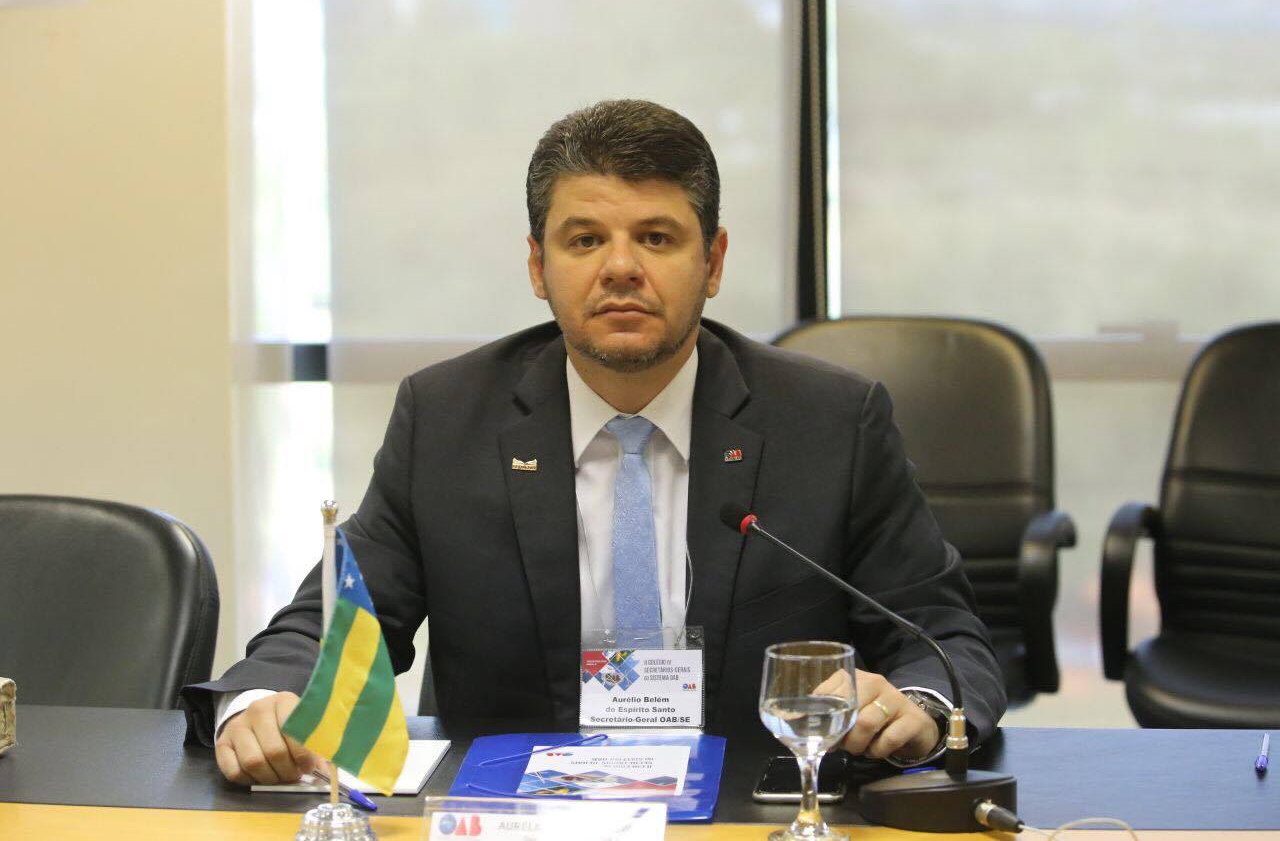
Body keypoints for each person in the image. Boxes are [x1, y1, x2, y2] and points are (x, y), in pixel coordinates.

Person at [182, 99, 1006, 786]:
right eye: (584, 240)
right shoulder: (446, 418)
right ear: (538, 266)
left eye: (657, 237)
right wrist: (259, 705)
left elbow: (943, 636)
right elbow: (333, 629)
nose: (620, 268)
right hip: (514, 818)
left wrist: (920, 705)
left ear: (714, 261)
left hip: (753, 815)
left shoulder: (830, 421)